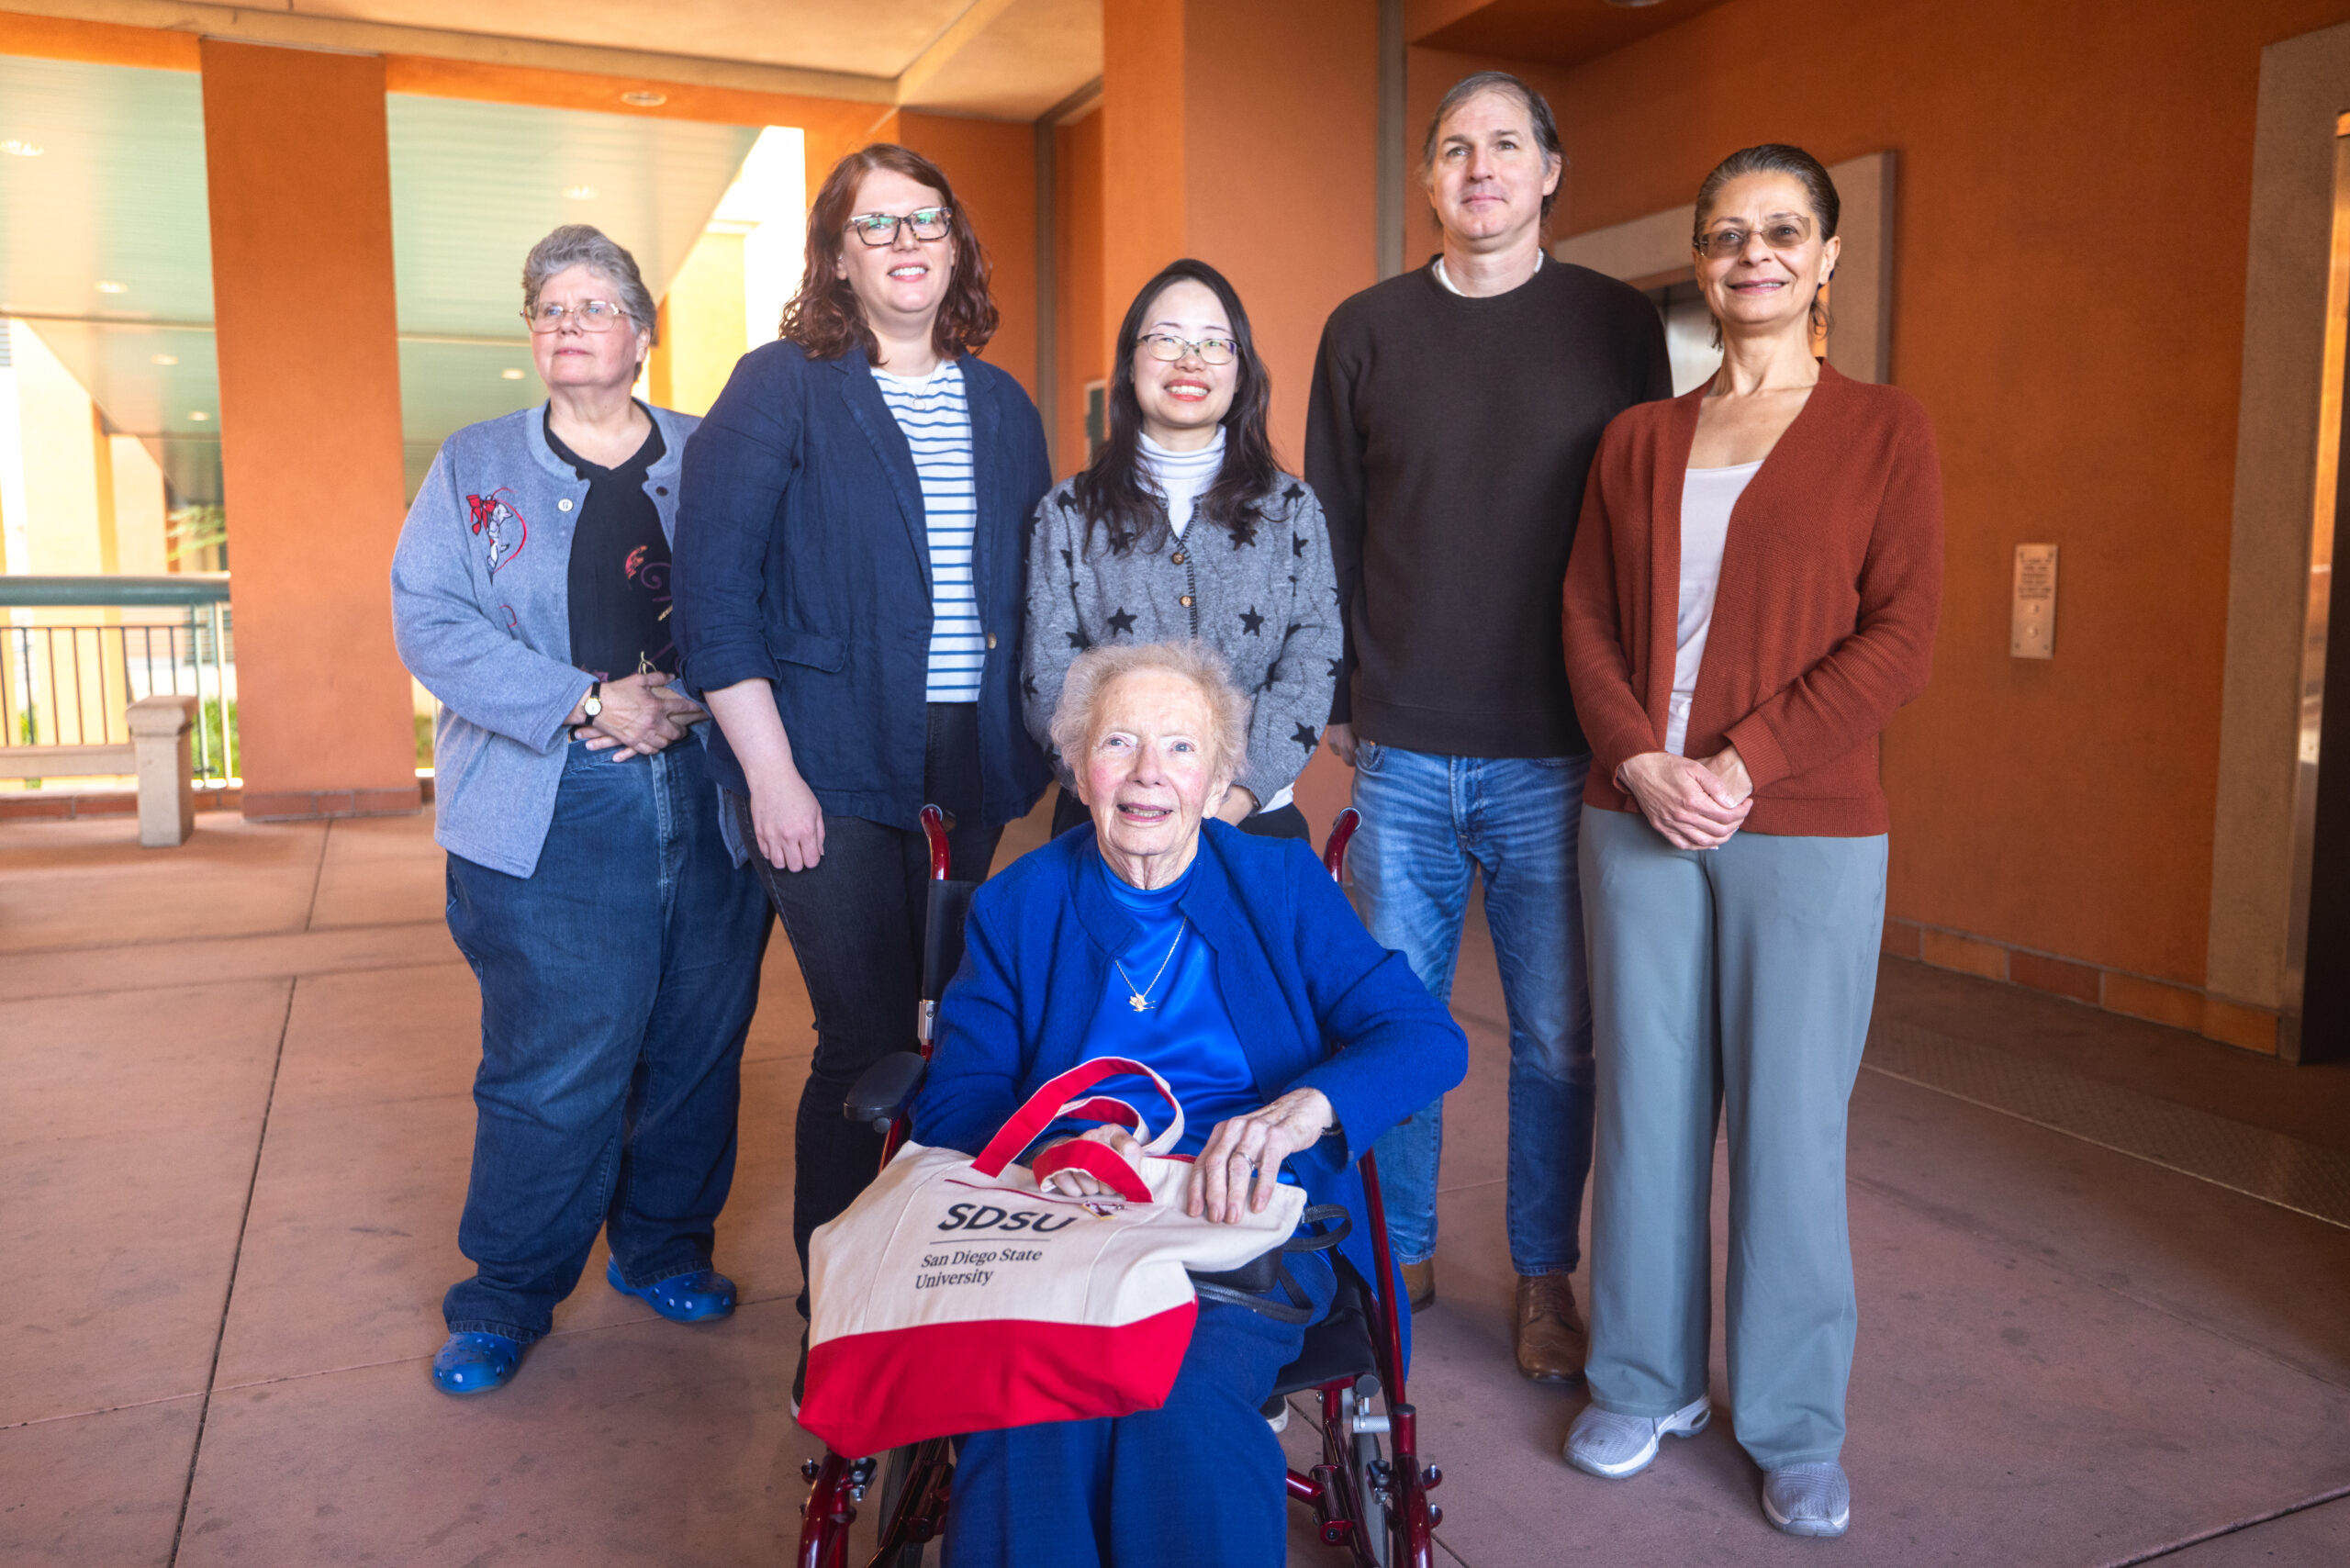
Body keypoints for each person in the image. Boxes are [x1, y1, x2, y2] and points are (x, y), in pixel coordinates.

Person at [1560, 145, 1942, 1539]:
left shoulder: (1885, 430)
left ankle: (1790, 1420)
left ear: (1828, 258)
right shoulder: (1640, 439)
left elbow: (1902, 634)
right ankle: (1642, 1376)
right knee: (1647, 1108)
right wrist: (1643, 761)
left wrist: (1741, 761)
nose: (1755, 256)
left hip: (1809, 825)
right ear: (1703, 263)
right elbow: (1588, 621)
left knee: (1789, 1124)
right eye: (1729, 235)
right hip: (1636, 811)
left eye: (1785, 231)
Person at [912, 640, 1466, 1568]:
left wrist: (1303, 1109)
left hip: (1240, 1220)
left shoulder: (1280, 888)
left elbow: (1423, 1036)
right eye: (1118, 741)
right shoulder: (1017, 905)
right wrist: (1058, 1149)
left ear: (1216, 785)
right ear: (1079, 766)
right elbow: (959, 1096)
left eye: (1178, 748)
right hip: (1061, 1221)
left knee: (1180, 1401)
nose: (1146, 774)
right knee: (1028, 1411)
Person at [1304, 70, 1671, 1381]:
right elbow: (1330, 526)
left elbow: (1648, 526)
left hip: (1559, 749)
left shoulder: (1618, 326)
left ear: (1551, 170)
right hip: (1401, 745)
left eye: (1505, 145)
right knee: (1398, 1026)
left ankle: (1541, 1274)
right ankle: (1397, 1253)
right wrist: (1345, 702)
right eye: (1453, 149)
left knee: (1559, 1035)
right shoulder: (1366, 329)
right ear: (1429, 181)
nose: (1479, 169)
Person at [671, 145, 1053, 1338]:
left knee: (959, 1031)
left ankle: (932, 1275)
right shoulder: (779, 385)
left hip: (971, 759)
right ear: (838, 254)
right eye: (875, 224)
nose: (903, 244)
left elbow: (1035, 590)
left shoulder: (1000, 404)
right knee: (867, 1035)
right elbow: (715, 601)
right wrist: (771, 776)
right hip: (823, 764)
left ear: (954, 245)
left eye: (924, 221)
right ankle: (838, 1301)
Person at [390, 225, 770, 1395]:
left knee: (696, 1045)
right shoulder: (474, 465)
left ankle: (661, 1247)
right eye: (547, 305)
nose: (567, 322)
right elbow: (429, 619)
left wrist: (692, 707)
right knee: (552, 1066)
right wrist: (582, 700)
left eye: (594, 304)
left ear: (642, 335)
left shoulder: (717, 453)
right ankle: (505, 1295)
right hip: (549, 814)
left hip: (708, 800)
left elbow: (772, 601)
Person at [1024, 258, 1339, 843]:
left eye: (1215, 343)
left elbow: (1311, 661)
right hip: (1104, 822)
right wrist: (1124, 796)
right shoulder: (1069, 512)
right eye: (1166, 339)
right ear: (1130, 363)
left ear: (1240, 370)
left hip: (1253, 819)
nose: (1190, 360)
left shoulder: (1292, 509)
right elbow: (1048, 678)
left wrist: (1236, 796)